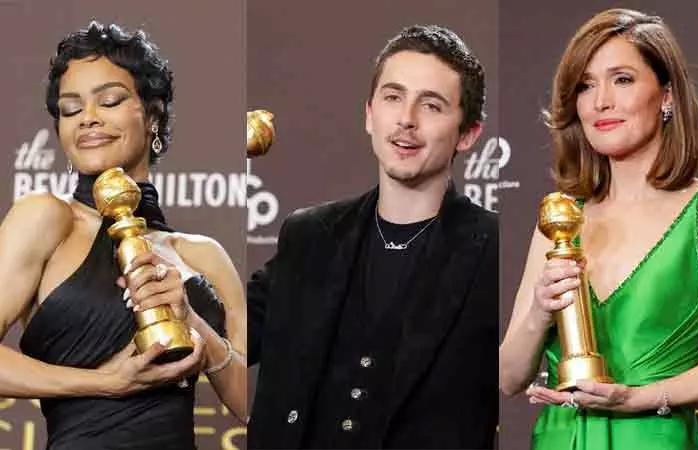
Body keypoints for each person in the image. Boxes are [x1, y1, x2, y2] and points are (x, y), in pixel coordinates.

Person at [499, 8, 698, 450]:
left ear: (666, 96)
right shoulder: (560, 219)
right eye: (585, 85)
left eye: (622, 79)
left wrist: (638, 398)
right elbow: (509, 376)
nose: (601, 102)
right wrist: (540, 309)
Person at [248, 25, 498, 449]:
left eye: (431, 105)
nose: (406, 119)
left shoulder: (493, 248)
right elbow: (226, 336)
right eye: (393, 97)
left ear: (469, 133)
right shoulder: (310, 237)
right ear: (369, 114)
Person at [0, 22, 246, 449]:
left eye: (110, 100)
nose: (88, 118)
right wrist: (107, 382)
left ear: (153, 116)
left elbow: (253, 405)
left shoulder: (204, 256)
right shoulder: (46, 219)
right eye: (70, 110)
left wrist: (191, 321)